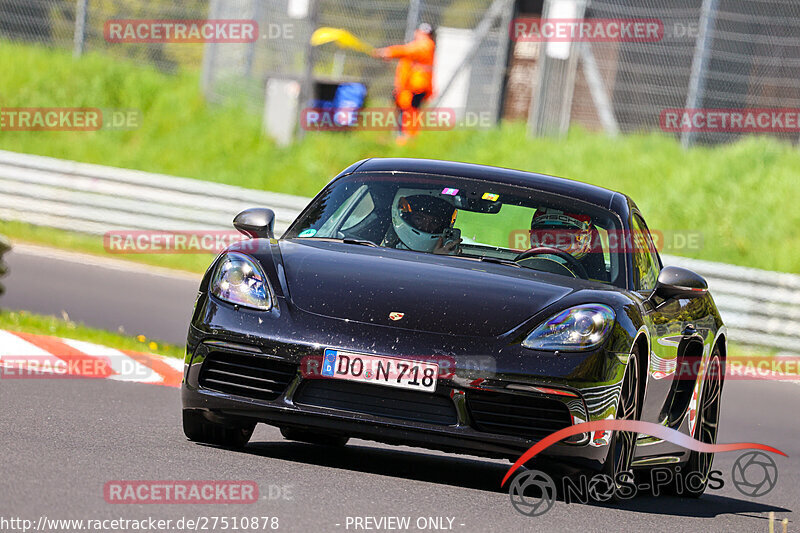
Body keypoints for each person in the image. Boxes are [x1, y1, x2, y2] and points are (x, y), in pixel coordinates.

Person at [373, 23, 435, 145]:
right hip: (409, 87)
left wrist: (389, 52)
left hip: (417, 86)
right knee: (404, 110)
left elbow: (409, 51)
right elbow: (407, 55)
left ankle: (408, 140)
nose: (421, 36)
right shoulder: (418, 46)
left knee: (410, 112)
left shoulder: (426, 45)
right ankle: (402, 139)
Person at [384, 190, 461, 254]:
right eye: (419, 219)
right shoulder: (382, 253)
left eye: (434, 222)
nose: (426, 227)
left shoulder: (448, 255)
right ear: (407, 217)